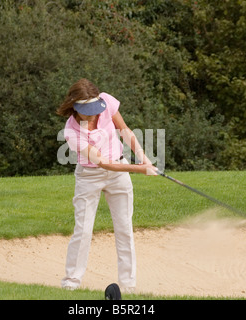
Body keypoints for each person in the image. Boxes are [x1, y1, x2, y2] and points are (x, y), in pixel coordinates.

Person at [56, 78, 158, 293]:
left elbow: (125, 130)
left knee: (124, 228)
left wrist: (142, 157)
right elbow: (102, 162)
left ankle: (128, 285)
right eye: (87, 111)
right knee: (83, 230)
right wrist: (140, 169)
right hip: (89, 177)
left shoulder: (107, 102)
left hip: (119, 171)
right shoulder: (71, 132)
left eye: (95, 109)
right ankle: (71, 282)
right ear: (74, 105)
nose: (93, 114)